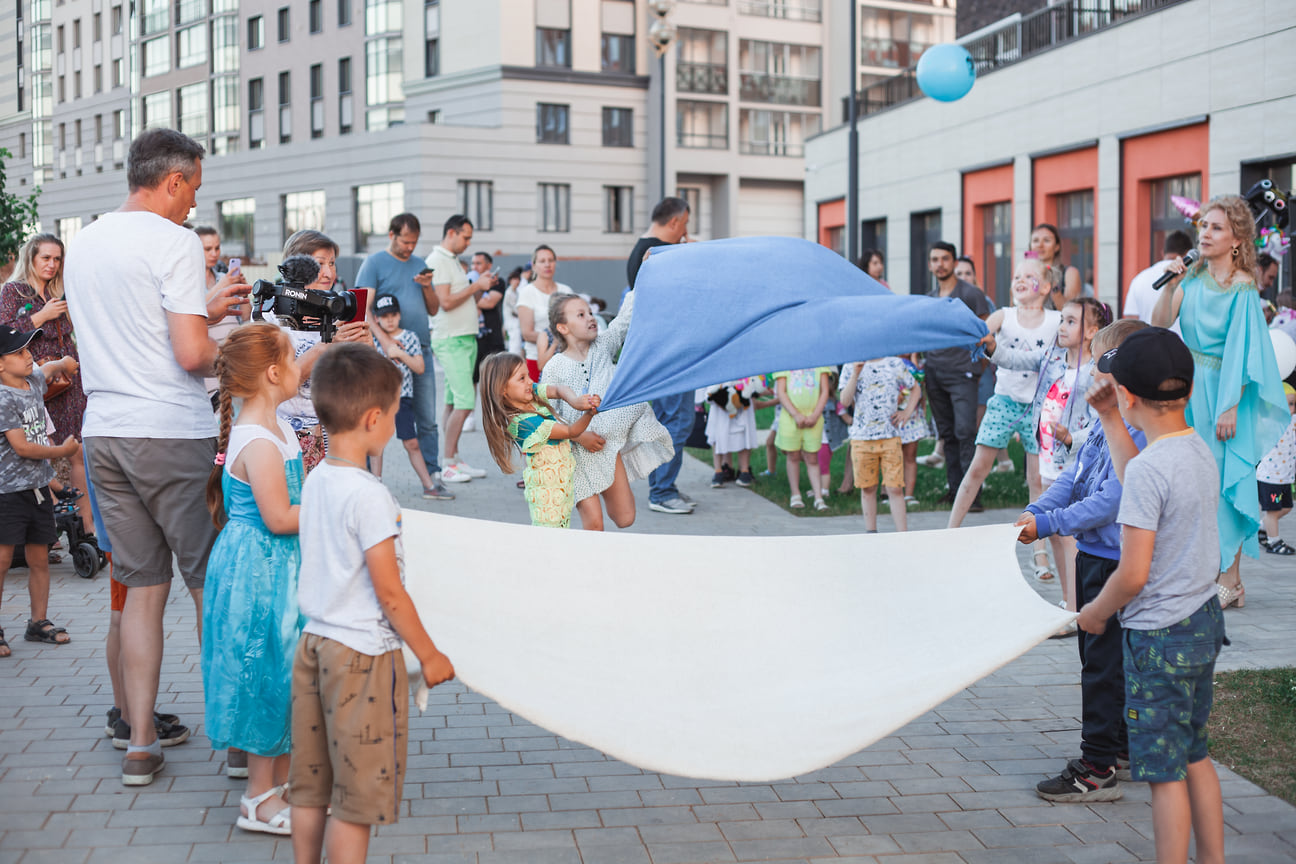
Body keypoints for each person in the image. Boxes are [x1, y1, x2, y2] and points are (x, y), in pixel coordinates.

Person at [64, 128, 248, 786]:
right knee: (208, 587)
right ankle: (235, 739)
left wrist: (201, 310)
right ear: (172, 181)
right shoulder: (171, 241)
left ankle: (139, 743)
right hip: (170, 430)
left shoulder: (84, 242)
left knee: (141, 592)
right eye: (193, 189)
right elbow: (191, 356)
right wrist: (248, 355)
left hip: (105, 430)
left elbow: (135, 325)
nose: (194, 204)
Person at [287, 343, 456, 864]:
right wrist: (429, 655)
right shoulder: (370, 495)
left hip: (314, 645)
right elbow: (389, 591)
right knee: (356, 802)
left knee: (311, 787)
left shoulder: (317, 480)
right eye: (396, 412)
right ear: (374, 418)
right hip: (361, 657)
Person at [1078, 327, 1227, 864]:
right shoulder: (1195, 450)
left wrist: (1095, 611)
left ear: (1129, 394)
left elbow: (1133, 574)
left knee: (1163, 777)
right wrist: (1112, 422)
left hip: (1159, 637)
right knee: (1194, 755)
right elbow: (1136, 480)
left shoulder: (1148, 471)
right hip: (1202, 621)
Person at [1018, 319, 1148, 803]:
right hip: (1091, 556)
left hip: (1118, 562)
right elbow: (1074, 477)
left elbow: (1115, 498)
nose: (1091, 373)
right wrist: (1037, 510)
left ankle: (1096, 768)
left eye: (1099, 363)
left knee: (1103, 666)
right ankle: (1119, 749)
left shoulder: (1138, 430)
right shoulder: (1102, 421)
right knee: (1098, 659)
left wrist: (1052, 525)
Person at [1150, 195, 1289, 608]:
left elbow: (1243, 352)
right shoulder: (1190, 279)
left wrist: (1229, 406)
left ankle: (1231, 579)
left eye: (1215, 228)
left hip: (1225, 393)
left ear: (1236, 239)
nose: (1204, 234)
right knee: (1193, 485)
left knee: (1224, 483)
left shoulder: (1243, 287)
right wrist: (1172, 283)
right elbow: (1160, 323)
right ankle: (1205, 573)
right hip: (1189, 389)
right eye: (1203, 226)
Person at [200, 324, 304, 836]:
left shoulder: (275, 426)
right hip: (259, 571)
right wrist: (334, 507)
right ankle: (257, 799)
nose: (301, 364)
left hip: (279, 567)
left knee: (284, 674)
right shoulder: (258, 439)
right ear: (272, 372)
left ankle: (279, 787)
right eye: (294, 356)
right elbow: (281, 517)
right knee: (262, 675)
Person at [984, 298, 1106, 605]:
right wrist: (992, 349)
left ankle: (1078, 605)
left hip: (1076, 458)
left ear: (1091, 331)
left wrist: (1071, 438)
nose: (1061, 327)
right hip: (1050, 455)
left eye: (1070, 321)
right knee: (1053, 532)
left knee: (1068, 533)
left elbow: (1099, 425)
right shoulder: (1052, 357)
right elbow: (1017, 360)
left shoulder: (1095, 371)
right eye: (1061, 320)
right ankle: (1068, 601)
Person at [947, 256, 1061, 533]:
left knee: (1037, 481)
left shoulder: (1057, 321)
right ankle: (950, 531)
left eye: (1028, 276)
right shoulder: (1005, 315)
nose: (1019, 280)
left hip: (1040, 407)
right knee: (977, 470)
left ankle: (1039, 551)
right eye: (1016, 277)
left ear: (1045, 287)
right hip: (1004, 403)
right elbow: (980, 331)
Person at [541, 293, 672, 530]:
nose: (590, 318)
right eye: (580, 315)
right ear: (563, 327)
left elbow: (624, 319)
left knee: (625, 518)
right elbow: (547, 414)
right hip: (575, 453)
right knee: (594, 525)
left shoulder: (603, 346)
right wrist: (579, 435)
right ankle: (592, 565)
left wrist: (640, 277)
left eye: (590, 313)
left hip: (607, 449)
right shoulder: (555, 367)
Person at [0, 233, 93, 534]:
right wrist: (41, 316)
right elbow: (4, 334)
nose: (52, 265)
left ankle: (85, 525)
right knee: (38, 451)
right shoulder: (13, 291)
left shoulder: (60, 292)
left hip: (66, 384)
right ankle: (46, 532)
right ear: (31, 258)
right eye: (46, 258)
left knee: (78, 450)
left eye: (57, 259)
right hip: (30, 384)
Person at [357, 213, 453, 499]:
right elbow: (364, 308)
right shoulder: (374, 263)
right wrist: (385, 342)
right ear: (392, 235)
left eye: (414, 242)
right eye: (405, 241)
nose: (410, 247)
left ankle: (433, 476)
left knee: (427, 418)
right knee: (374, 417)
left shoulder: (420, 264)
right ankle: (365, 476)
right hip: (386, 356)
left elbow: (434, 309)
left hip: (419, 348)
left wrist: (426, 286)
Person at [0, 325, 80, 657]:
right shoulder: (3, 399)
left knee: (40, 559)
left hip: (36, 489)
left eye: (27, 348)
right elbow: (21, 447)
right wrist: (61, 452)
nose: (27, 354)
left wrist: (63, 361)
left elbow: (46, 369)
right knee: (3, 560)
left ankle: (38, 622)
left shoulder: (31, 378)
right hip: (8, 492)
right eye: (18, 352)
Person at [272, 230, 373, 474]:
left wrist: (367, 351)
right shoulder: (272, 316)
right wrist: (328, 346)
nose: (329, 273)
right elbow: (280, 383)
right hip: (287, 439)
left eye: (332, 263)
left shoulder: (341, 309)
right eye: (319, 264)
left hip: (337, 435)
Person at [479, 352, 600, 528]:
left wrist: (575, 401)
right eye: (522, 378)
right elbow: (571, 431)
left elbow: (558, 389)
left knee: (559, 533)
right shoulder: (524, 423)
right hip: (548, 496)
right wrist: (589, 413)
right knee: (549, 535)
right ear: (503, 389)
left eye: (528, 375)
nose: (530, 381)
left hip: (560, 488)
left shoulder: (528, 395)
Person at [628, 197, 695, 515]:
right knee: (676, 421)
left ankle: (664, 486)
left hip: (667, 350)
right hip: (669, 352)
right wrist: (689, 256)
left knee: (675, 420)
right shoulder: (656, 253)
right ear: (676, 221)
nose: (685, 233)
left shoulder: (646, 249)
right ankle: (661, 491)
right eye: (685, 226)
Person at [923, 242, 991, 504]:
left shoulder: (971, 294)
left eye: (944, 259)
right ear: (930, 264)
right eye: (934, 259)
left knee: (965, 432)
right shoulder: (929, 298)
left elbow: (986, 331)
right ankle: (954, 491)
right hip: (935, 372)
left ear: (953, 262)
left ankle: (972, 496)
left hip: (963, 373)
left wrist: (977, 367)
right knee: (947, 434)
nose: (939, 264)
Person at [427, 216, 492, 483]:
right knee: (465, 402)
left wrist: (478, 289)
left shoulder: (450, 260)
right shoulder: (439, 260)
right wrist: (477, 286)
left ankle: (452, 458)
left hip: (463, 338)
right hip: (451, 339)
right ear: (451, 232)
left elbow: (460, 300)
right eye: (465, 237)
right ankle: (446, 463)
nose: (467, 243)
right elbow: (445, 302)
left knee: (454, 401)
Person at [367, 293, 441, 496]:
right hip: (379, 401)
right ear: (377, 319)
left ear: (399, 315)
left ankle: (429, 485)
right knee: (376, 445)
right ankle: (376, 486)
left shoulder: (410, 337)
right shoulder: (374, 339)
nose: (389, 319)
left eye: (392, 314)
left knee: (412, 442)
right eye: (384, 316)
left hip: (402, 399)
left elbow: (419, 367)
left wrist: (400, 354)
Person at [839, 357, 917, 532]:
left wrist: (907, 411)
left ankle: (902, 534)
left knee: (895, 488)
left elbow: (915, 388)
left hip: (890, 437)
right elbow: (844, 401)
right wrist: (855, 374)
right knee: (868, 488)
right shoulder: (850, 364)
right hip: (862, 438)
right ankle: (871, 532)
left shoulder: (894, 363)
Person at [774, 367, 832, 511]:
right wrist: (795, 414)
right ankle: (795, 494)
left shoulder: (820, 365)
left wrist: (815, 415)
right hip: (790, 418)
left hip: (814, 418)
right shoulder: (785, 365)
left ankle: (818, 497)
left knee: (812, 457)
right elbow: (782, 392)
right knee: (793, 455)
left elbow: (824, 391)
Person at [517, 244, 572, 382]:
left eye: (551, 260)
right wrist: (556, 339)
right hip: (537, 360)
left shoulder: (566, 290)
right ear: (534, 266)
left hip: (567, 359)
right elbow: (527, 333)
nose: (547, 264)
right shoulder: (527, 293)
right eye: (542, 261)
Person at [1122, 230, 1193, 327]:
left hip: (1148, 339)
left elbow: (1130, 320)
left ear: (1163, 252)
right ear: (1188, 254)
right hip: (1181, 341)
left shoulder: (1139, 278)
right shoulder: (1192, 277)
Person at [1256, 383, 1295, 555]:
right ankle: (1274, 542)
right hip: (1270, 477)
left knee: (1286, 507)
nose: (1291, 408)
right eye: (1287, 403)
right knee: (1273, 510)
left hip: (1285, 477)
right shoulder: (1267, 421)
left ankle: (1262, 526)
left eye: (1293, 404)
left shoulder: (1293, 420)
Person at [704, 380, 760, 489]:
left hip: (742, 402)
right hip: (720, 405)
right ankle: (719, 470)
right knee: (718, 435)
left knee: (744, 434)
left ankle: (744, 470)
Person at [471, 250, 507, 395]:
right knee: (472, 378)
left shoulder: (497, 282)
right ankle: (470, 416)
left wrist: (469, 299)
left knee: (496, 378)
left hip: (493, 337)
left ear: (489, 265)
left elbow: (490, 303)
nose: (475, 267)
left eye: (478, 263)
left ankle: (495, 412)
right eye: (473, 263)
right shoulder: (470, 283)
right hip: (474, 337)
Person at [1031, 223, 1084, 307]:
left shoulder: (1069, 273)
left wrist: (1053, 284)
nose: (1040, 245)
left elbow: (1069, 312)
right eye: (1035, 241)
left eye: (1046, 240)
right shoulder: (1025, 274)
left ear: (1056, 247)